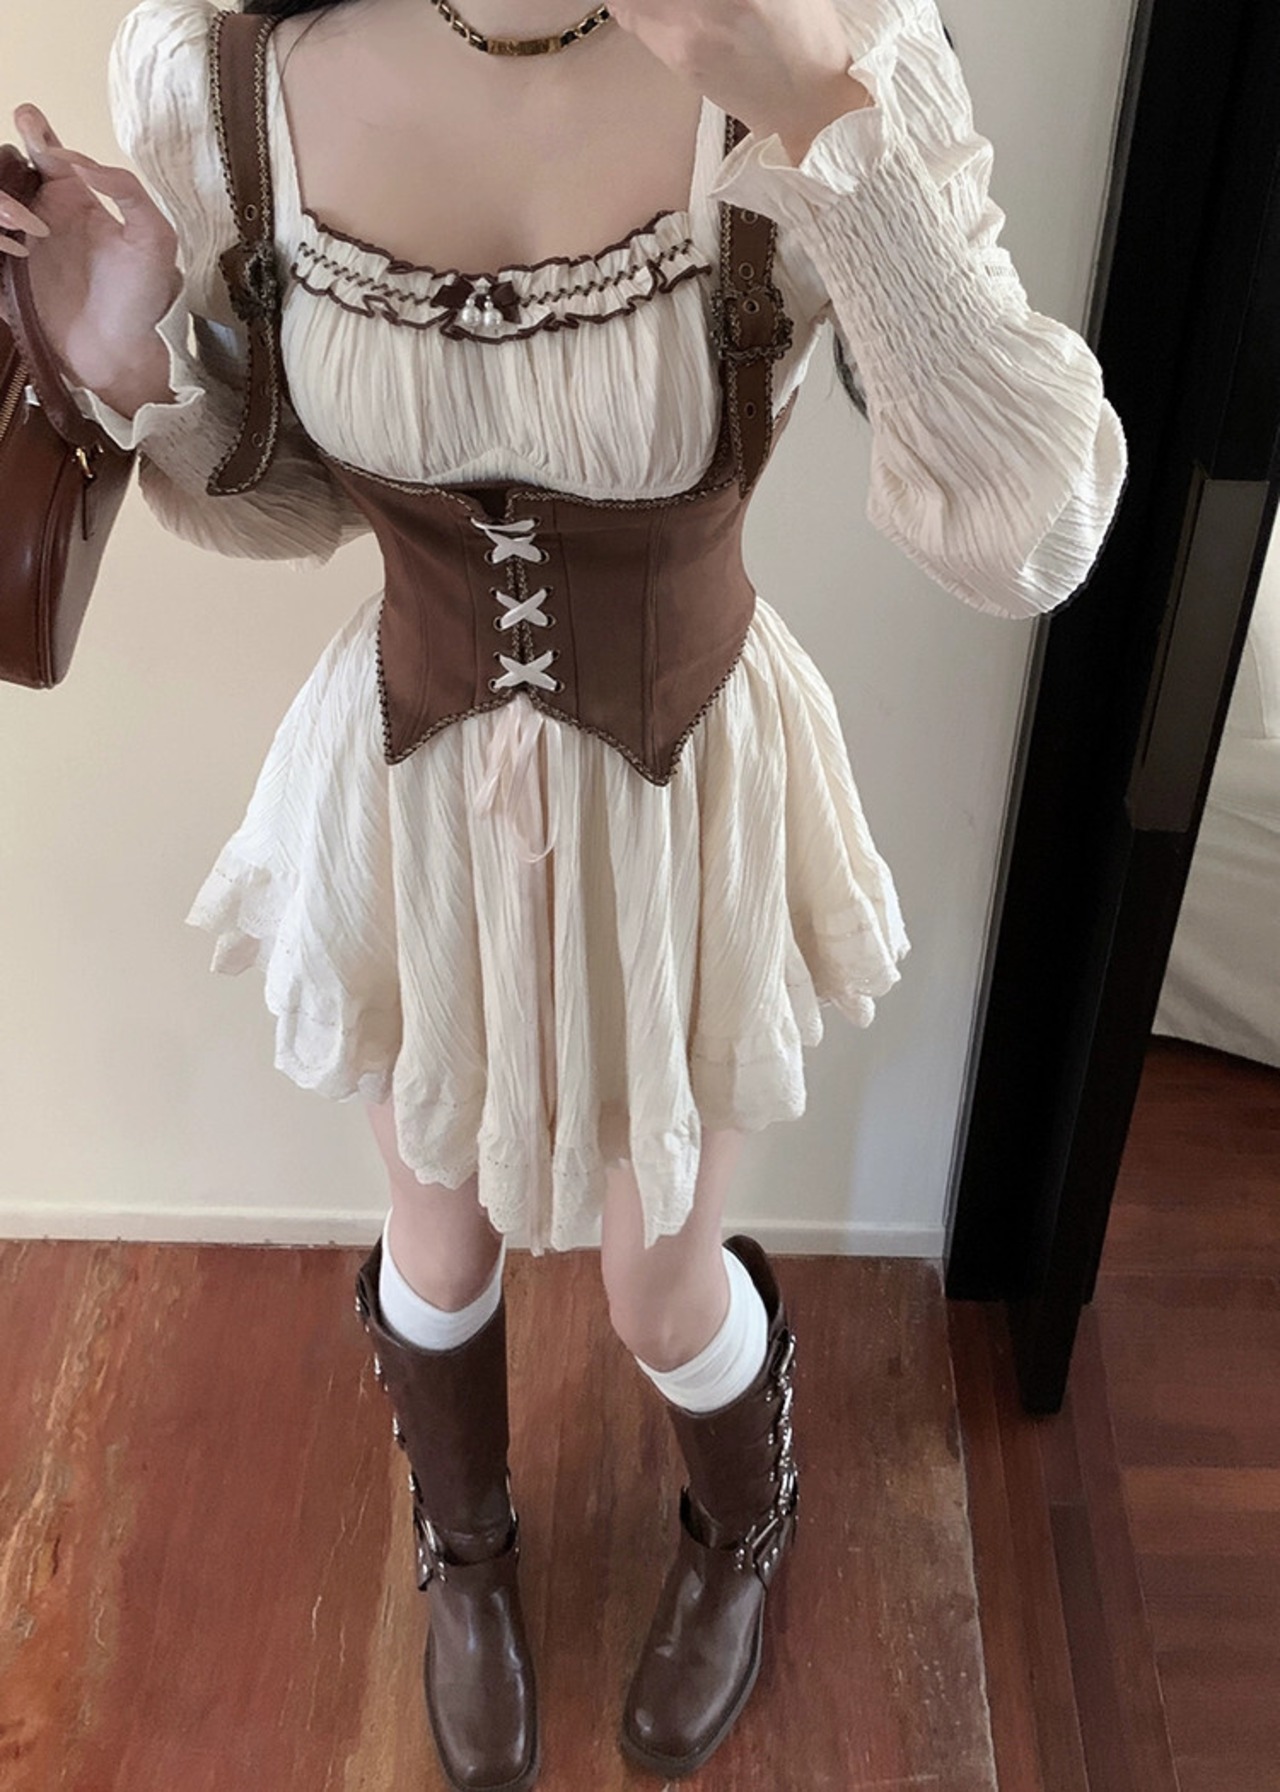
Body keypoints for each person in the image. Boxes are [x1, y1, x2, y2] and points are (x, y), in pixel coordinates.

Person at [3, 0, 1128, 1784]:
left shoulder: (830, 35)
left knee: (658, 1287)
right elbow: (303, 505)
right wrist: (133, 353)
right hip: (412, 786)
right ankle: (465, 1556)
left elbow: (1033, 530)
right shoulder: (226, 78)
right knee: (436, 1245)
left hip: (687, 792)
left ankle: (740, 1524)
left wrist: (819, 119)